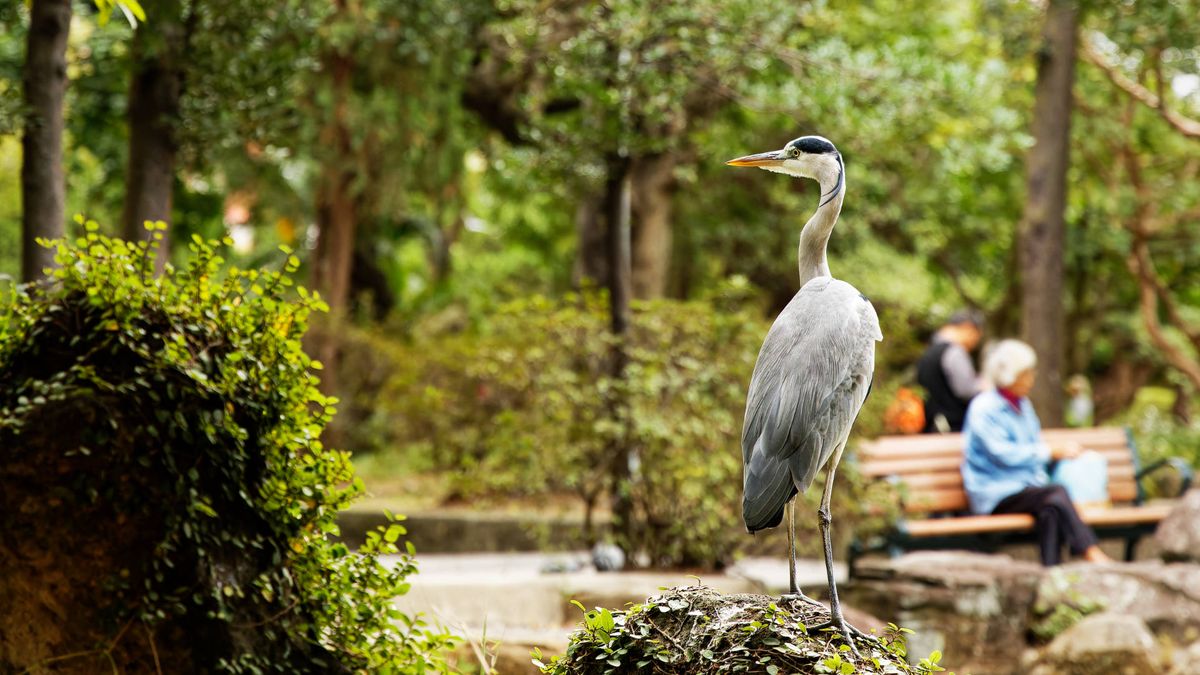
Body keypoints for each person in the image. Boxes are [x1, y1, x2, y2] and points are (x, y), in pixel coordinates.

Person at [961, 339, 1110, 566]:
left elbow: (1033, 444)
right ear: (1010, 375)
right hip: (994, 492)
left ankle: (1051, 576)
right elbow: (1002, 454)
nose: (1032, 379)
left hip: (1025, 488)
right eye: (1027, 374)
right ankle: (1090, 551)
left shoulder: (1023, 405)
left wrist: (1061, 454)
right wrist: (1051, 452)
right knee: (1055, 493)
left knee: (1050, 509)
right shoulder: (984, 408)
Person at [917, 310, 985, 433]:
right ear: (968, 328)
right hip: (952, 427)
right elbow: (965, 390)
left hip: (932, 424)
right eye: (976, 336)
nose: (974, 343)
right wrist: (984, 386)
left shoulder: (929, 351)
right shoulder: (955, 352)